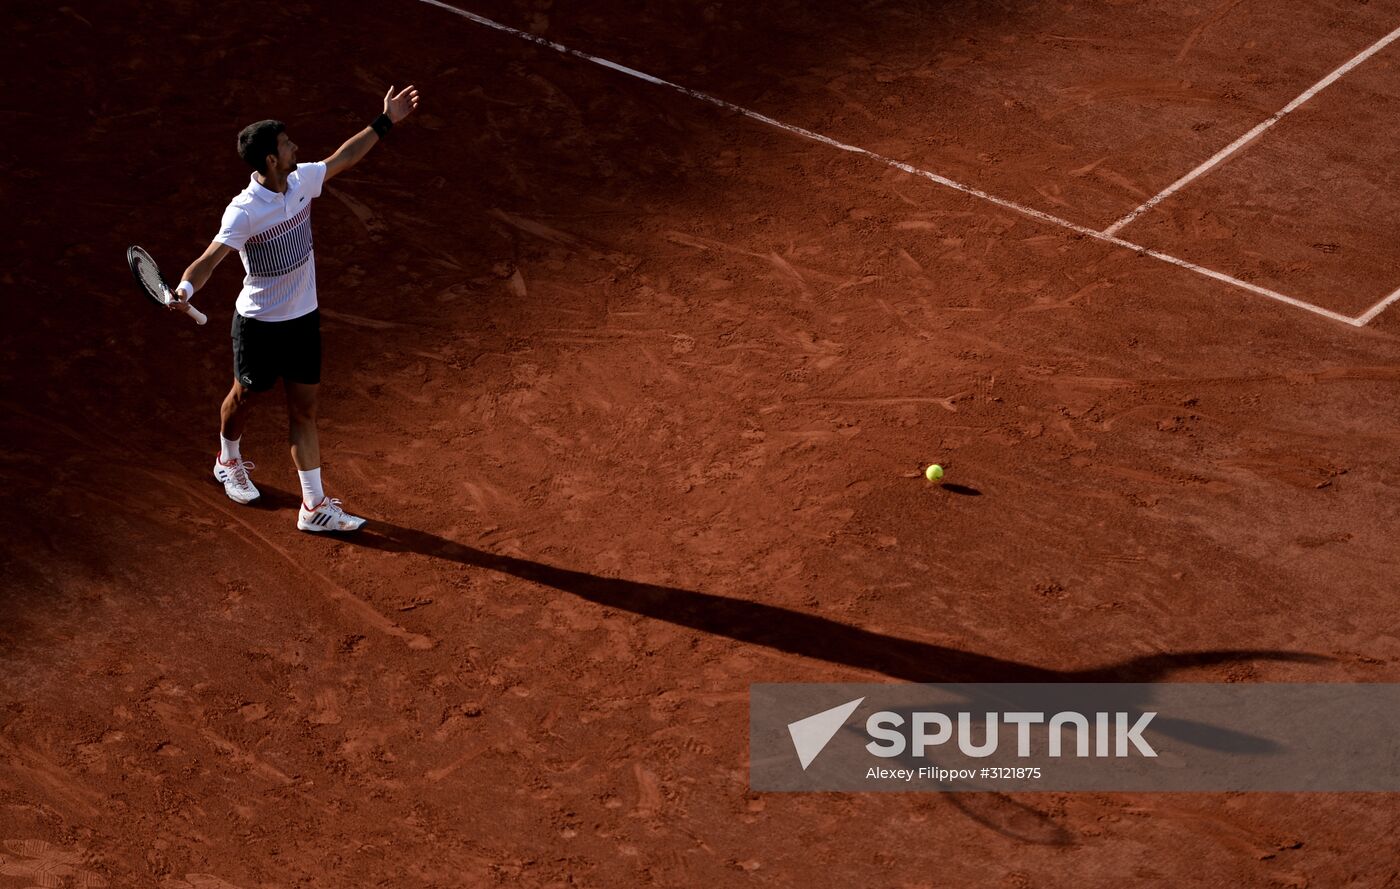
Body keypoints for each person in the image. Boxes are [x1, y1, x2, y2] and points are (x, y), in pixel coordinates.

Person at [171, 85, 420, 532]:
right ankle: (228, 459)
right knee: (243, 398)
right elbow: (210, 260)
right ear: (270, 159)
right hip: (259, 326)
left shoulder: (302, 179)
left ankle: (313, 507)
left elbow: (342, 158)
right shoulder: (243, 212)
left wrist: (385, 121)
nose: (295, 148)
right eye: (286, 145)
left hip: (303, 320)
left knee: (304, 411)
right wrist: (186, 288)